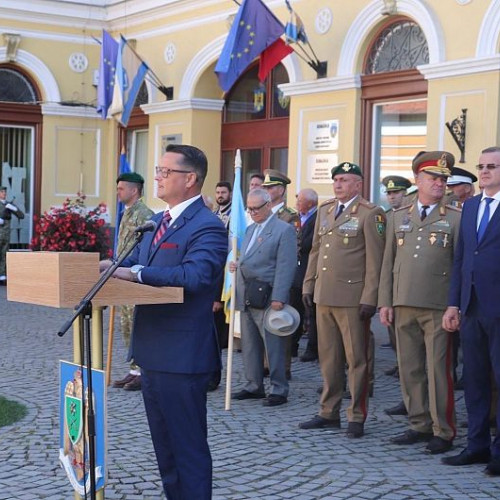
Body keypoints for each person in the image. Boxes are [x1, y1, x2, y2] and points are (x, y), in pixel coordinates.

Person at [104, 144, 228, 499]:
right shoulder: (157, 222)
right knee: (165, 449)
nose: (156, 177)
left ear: (190, 179)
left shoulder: (207, 226)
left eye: (164, 172)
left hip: (182, 355)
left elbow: (197, 275)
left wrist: (137, 272)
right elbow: (130, 268)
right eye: (157, 170)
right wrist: (111, 270)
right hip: (152, 352)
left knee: (187, 448)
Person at [378, 151, 460, 455]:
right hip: (402, 303)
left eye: (443, 179)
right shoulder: (399, 216)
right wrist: (385, 302)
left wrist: (455, 305)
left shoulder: (454, 217)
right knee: (409, 367)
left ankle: (443, 429)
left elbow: (459, 265)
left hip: (438, 305)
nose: (439, 183)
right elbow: (388, 262)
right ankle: (418, 423)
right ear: (418, 180)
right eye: (433, 178)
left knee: (438, 370)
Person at [299, 162, 385, 439]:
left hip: (352, 298)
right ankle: (328, 411)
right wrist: (309, 284)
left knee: (356, 359)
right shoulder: (325, 210)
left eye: (345, 180)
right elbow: (315, 251)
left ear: (358, 185)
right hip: (325, 295)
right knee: (329, 358)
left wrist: (370, 297)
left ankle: (356, 415)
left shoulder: (371, 214)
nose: (338, 184)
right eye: (336, 179)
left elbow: (375, 260)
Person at [442, 146, 500, 474]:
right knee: (474, 379)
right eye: (481, 166)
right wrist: (454, 303)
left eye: (492, 166)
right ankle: (476, 445)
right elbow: (461, 259)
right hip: (471, 306)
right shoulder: (471, 206)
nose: (485, 171)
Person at [231, 188, 297, 407]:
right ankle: (253, 384)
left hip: (268, 295)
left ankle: (279, 388)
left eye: (256, 208)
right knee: (249, 343)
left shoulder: (283, 230)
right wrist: (237, 264)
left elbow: (285, 266)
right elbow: (248, 258)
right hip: (247, 293)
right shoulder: (250, 229)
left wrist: (279, 296)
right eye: (249, 208)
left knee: (273, 344)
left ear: (268, 205)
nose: (252, 212)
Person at [111, 172, 154, 392]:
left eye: (121, 188)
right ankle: (134, 369)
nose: (118, 192)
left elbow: (143, 249)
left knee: (138, 326)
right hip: (122, 276)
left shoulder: (144, 214)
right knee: (126, 326)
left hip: (134, 278)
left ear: (134, 190)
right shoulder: (127, 213)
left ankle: (143, 370)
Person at [262, 169, 299, 376]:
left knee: (281, 322)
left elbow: (293, 249)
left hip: (280, 274)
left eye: (271, 187)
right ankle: (266, 363)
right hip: (262, 275)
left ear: (282, 190)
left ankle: (283, 367)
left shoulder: (289, 216)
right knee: (263, 321)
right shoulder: (262, 212)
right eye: (265, 187)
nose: (267, 190)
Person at [381, 175, 413, 416]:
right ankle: (408, 396)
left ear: (406, 193)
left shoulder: (411, 214)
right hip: (392, 285)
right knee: (398, 342)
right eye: (390, 193)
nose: (392, 196)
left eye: (397, 193)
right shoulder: (386, 217)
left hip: (410, 286)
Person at [210, 181, 233, 391]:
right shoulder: (214, 214)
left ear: (230, 194)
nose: (220, 195)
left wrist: (218, 296)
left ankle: (214, 376)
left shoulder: (235, 217)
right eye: (217, 192)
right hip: (210, 280)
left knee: (216, 337)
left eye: (223, 192)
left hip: (223, 280)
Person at [293, 188, 319, 362]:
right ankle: (292, 345)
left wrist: (298, 243)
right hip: (297, 271)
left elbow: (311, 243)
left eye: (300, 200)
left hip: (311, 270)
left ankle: (313, 347)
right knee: (295, 308)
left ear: (310, 203)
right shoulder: (297, 217)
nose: (297, 203)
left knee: (311, 312)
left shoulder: (317, 218)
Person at [0, 185, 24, 285]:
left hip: (5, 235)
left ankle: (2, 276)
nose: (4, 194)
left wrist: (13, 208)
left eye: (5, 192)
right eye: (2, 192)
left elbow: (21, 215)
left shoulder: (8, 205)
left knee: (4, 255)